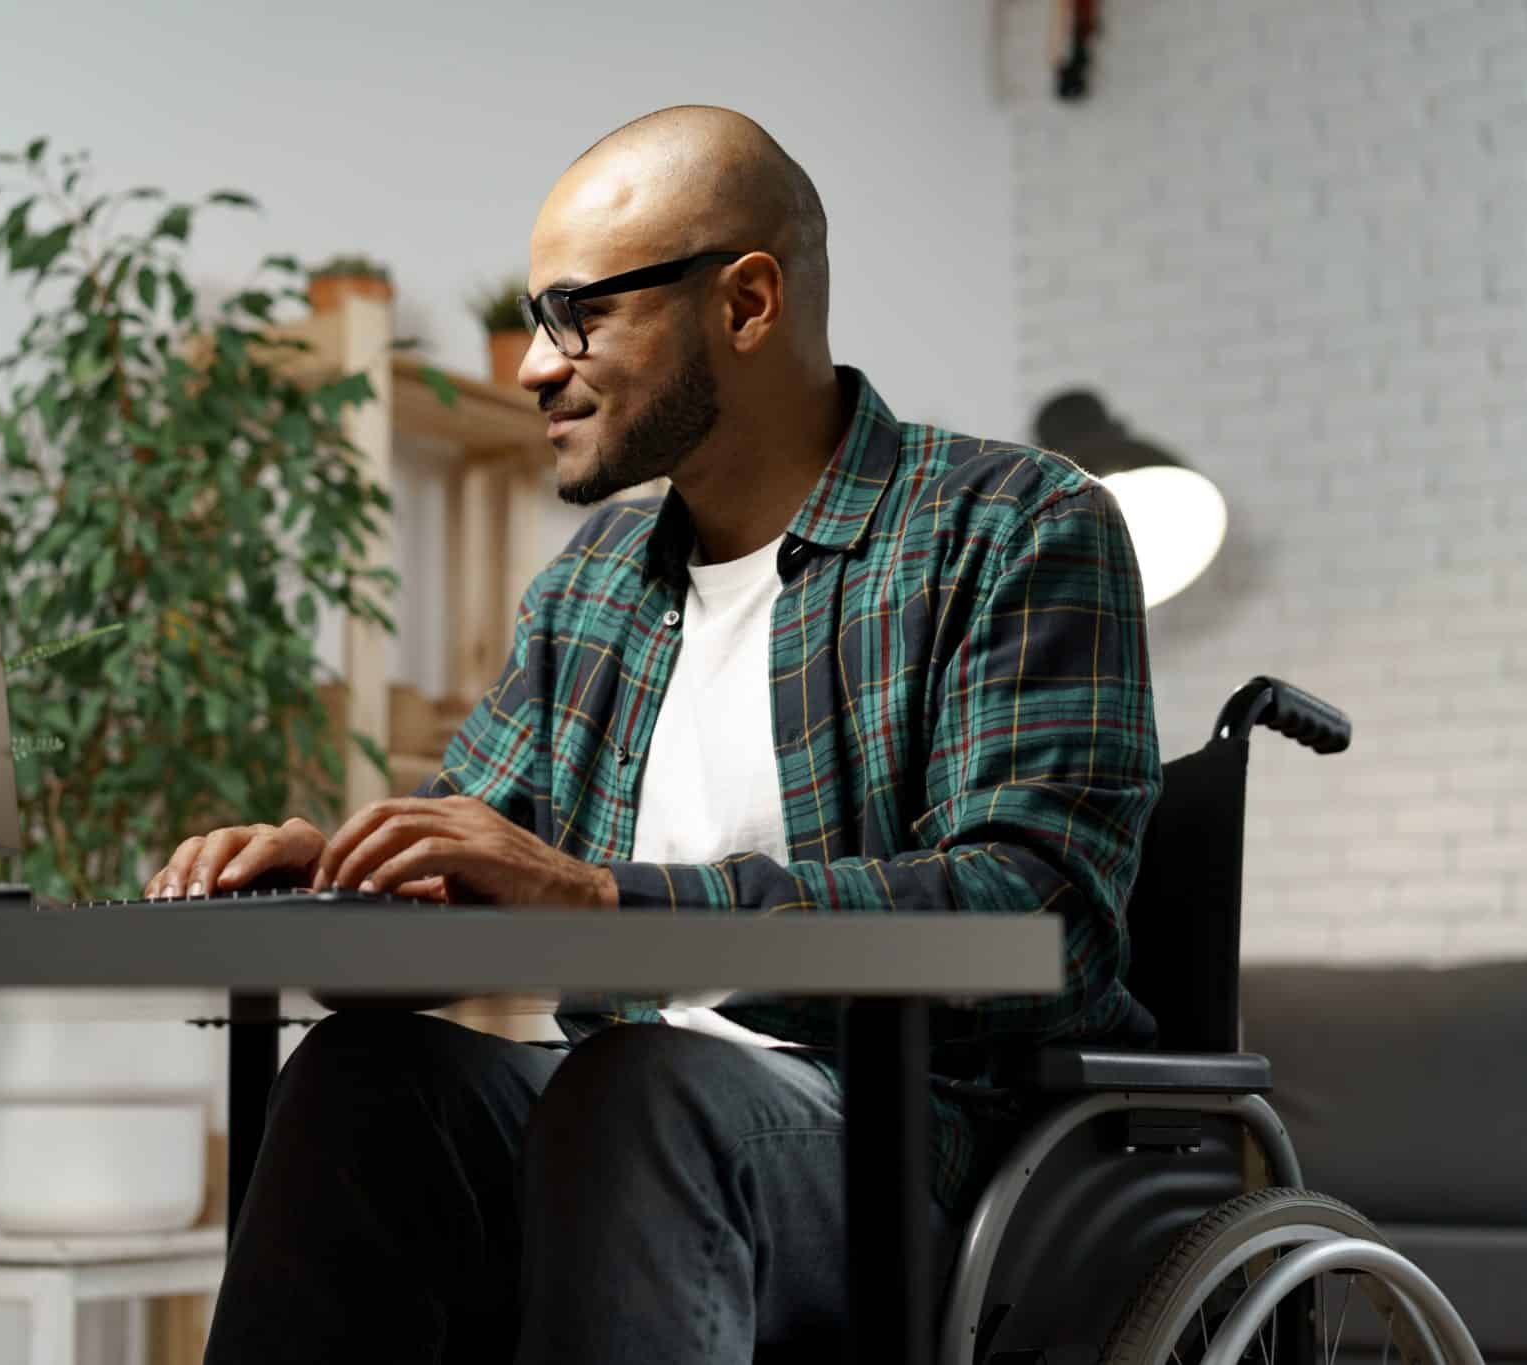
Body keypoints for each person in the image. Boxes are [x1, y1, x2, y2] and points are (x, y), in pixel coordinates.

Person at [155, 104, 1163, 1364]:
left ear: (744, 305)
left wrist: (605, 900)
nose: (533, 365)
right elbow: (481, 868)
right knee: (363, 1080)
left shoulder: (1010, 525)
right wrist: (339, 881)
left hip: (923, 1149)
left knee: (636, 1086)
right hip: (622, 1128)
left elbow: (1041, 918)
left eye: (577, 314)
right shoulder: (593, 586)